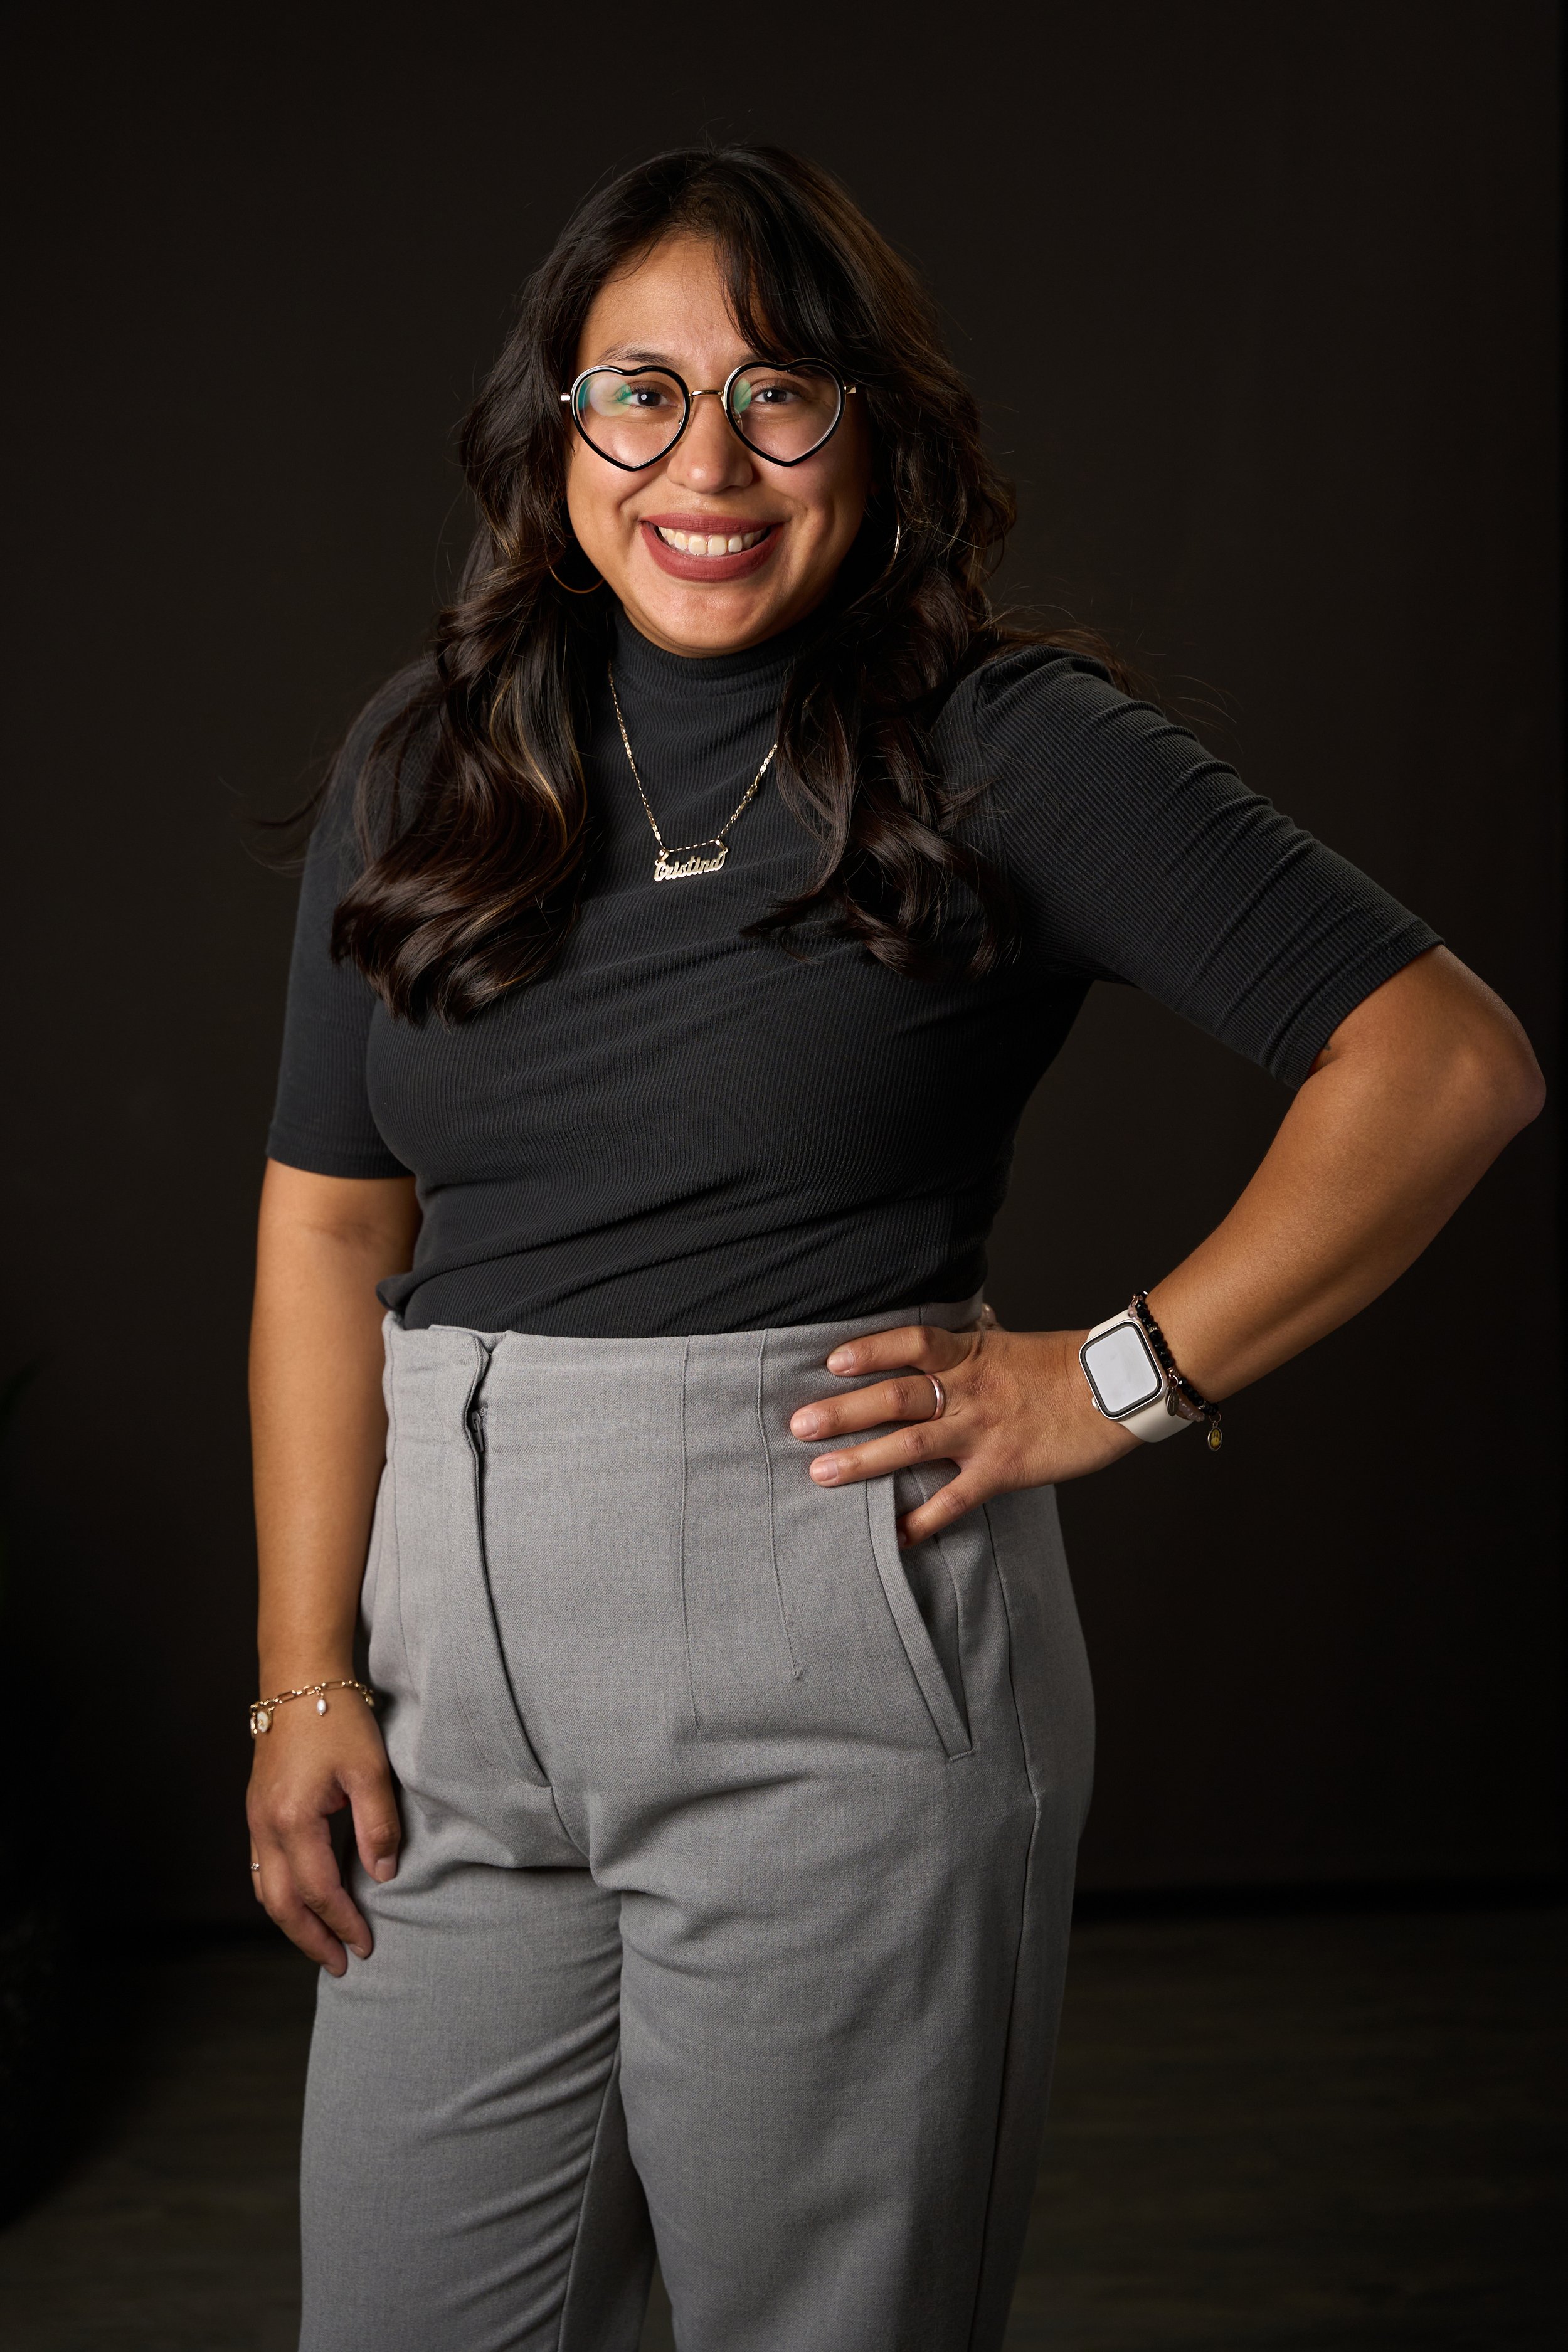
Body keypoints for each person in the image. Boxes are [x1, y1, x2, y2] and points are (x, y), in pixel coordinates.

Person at [246, 144, 1542, 2352]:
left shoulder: (1004, 746)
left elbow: (1445, 1063)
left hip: (823, 1649)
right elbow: (325, 1222)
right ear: (554, 434)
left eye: (778, 395)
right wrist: (302, 1674)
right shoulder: (432, 755)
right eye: (634, 395)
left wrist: (1116, 1376)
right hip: (446, 1676)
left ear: (873, 428)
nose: (705, 465)